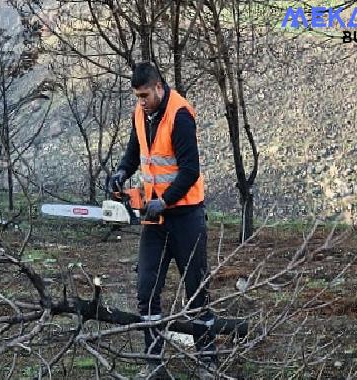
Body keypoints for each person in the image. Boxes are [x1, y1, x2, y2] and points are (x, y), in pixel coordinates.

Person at [111, 63, 217, 379]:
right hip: (155, 220)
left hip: (186, 217)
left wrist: (165, 200)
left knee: (197, 290)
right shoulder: (140, 114)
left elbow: (190, 171)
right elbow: (134, 154)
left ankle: (208, 360)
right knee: (146, 290)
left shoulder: (180, 115)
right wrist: (121, 172)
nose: (141, 101)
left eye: (145, 95)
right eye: (137, 96)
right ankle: (153, 363)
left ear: (158, 87)